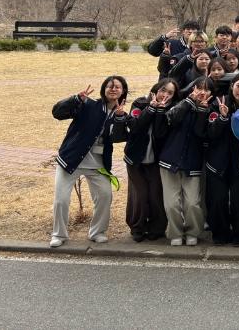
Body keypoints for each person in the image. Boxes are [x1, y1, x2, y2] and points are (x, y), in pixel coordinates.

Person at [50, 76, 128, 247]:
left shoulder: (121, 114)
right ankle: (59, 234)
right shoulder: (88, 105)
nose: (113, 89)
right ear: (103, 89)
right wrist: (75, 99)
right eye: (109, 86)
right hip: (71, 160)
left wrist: (120, 119)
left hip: (98, 164)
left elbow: (119, 138)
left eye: (117, 87)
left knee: (105, 196)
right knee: (61, 200)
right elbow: (57, 113)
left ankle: (97, 232)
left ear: (123, 91)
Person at [112, 78, 177, 242]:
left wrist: (160, 112)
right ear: (155, 90)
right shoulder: (140, 103)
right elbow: (135, 127)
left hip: (156, 159)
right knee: (139, 195)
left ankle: (157, 228)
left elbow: (160, 134)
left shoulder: (171, 110)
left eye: (170, 93)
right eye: (163, 90)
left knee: (155, 195)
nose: (165, 95)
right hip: (135, 158)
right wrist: (151, 109)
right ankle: (137, 227)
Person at [159, 76, 212, 246]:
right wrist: (188, 102)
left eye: (206, 89)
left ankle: (192, 232)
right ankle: (175, 232)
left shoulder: (211, 110)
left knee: (193, 203)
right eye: (199, 87)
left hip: (193, 162)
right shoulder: (180, 103)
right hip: (170, 160)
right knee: (171, 203)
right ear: (192, 88)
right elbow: (171, 120)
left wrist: (202, 111)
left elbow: (200, 133)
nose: (202, 92)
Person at [204, 73, 239, 246]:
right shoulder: (218, 103)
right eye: (238, 86)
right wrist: (223, 118)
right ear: (232, 85)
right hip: (217, 161)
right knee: (217, 200)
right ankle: (220, 234)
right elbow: (210, 133)